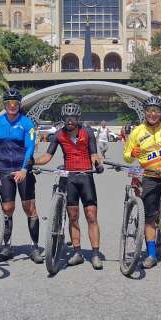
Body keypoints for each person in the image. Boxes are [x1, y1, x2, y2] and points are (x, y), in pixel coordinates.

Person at [34, 103, 105, 269]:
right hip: (69, 178)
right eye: (67, 118)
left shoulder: (87, 132)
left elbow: (94, 154)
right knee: (73, 217)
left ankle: (95, 254)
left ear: (78, 119)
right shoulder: (58, 135)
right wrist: (33, 161)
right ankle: (77, 252)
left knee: (91, 216)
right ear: (63, 119)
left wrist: (98, 164)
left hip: (86, 176)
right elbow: (47, 156)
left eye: (73, 118)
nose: (70, 121)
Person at [123, 96, 161, 270]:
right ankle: (151, 255)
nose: (152, 114)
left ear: (160, 113)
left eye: (156, 111)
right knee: (150, 218)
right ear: (145, 112)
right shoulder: (137, 131)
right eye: (149, 110)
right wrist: (133, 153)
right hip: (149, 178)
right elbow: (126, 157)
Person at [0, 89, 43, 263]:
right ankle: (7, 246)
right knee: (7, 209)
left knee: (29, 208)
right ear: (4, 104)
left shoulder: (27, 123)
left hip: (23, 169)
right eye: (8, 103)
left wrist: (24, 169)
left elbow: (30, 147)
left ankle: (35, 247)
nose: (12, 106)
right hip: (4, 169)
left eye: (15, 103)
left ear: (19, 105)